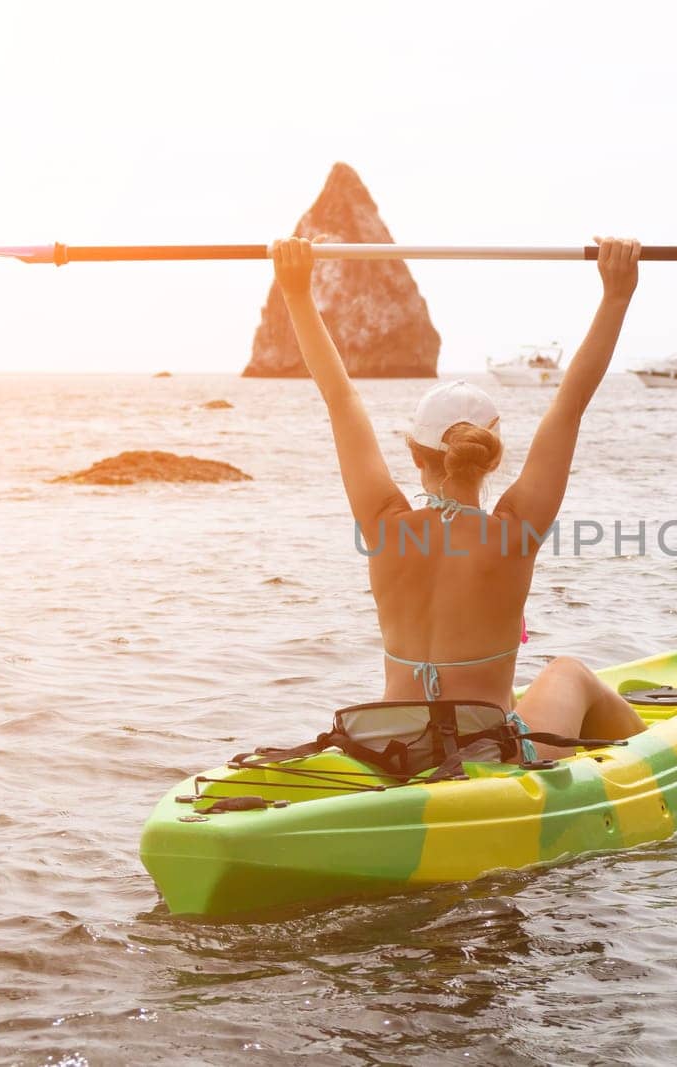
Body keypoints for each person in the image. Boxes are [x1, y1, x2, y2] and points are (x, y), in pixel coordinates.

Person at [271, 235, 648, 759]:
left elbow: (340, 398)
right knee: (570, 673)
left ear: (415, 454)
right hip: (486, 749)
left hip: (393, 745)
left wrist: (295, 292)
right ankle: (658, 756)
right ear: (492, 456)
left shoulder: (384, 524)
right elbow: (571, 402)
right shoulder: (515, 530)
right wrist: (616, 296)